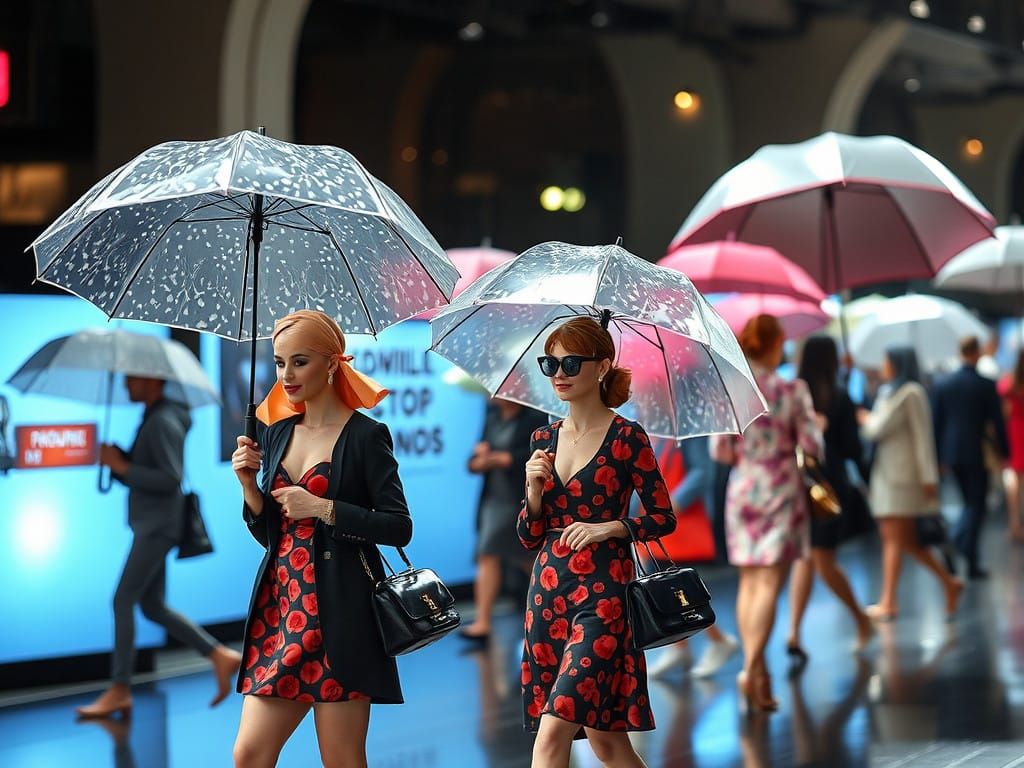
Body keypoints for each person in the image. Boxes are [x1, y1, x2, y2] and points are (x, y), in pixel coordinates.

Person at [230, 310, 411, 768]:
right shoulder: (276, 433)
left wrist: (324, 508)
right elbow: (271, 534)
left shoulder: (367, 436)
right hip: (282, 610)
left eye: (299, 362)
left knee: (341, 759)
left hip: (342, 617)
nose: (286, 375)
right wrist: (250, 489)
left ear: (331, 363)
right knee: (248, 754)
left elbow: (398, 526)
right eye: (279, 362)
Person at [519, 315, 676, 768]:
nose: (559, 374)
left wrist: (610, 527)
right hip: (548, 595)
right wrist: (533, 493)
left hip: (604, 595)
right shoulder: (543, 439)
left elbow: (663, 518)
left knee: (553, 733)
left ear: (602, 366)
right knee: (608, 744)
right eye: (550, 364)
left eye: (571, 363)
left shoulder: (628, 437)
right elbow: (529, 536)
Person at [77, 375, 241, 719]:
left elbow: (169, 477)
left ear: (152, 380)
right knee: (151, 605)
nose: (126, 385)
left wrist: (121, 465)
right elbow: (151, 469)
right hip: (154, 524)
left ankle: (120, 688)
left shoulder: (162, 420)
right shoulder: (155, 416)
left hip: (156, 527)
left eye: (132, 379)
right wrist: (119, 461)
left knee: (122, 600)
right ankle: (218, 655)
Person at [710, 315, 823, 714]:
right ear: (776, 345)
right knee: (771, 584)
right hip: (781, 488)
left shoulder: (731, 390)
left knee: (749, 583)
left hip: (743, 488)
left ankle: (758, 674)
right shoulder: (791, 389)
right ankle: (752, 669)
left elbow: (719, 451)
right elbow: (813, 446)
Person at [857, 346, 963, 620]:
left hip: (904, 479)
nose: (883, 365)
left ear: (897, 363)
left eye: (886, 360)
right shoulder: (887, 392)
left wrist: (929, 477)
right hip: (886, 476)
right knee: (906, 541)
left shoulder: (911, 393)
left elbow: (920, 437)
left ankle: (889, 600)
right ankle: (948, 583)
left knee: (893, 538)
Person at [786, 336, 874, 661]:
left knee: (814, 559)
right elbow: (853, 449)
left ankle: (854, 621)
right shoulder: (839, 396)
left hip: (797, 485)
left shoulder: (792, 394)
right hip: (828, 489)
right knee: (815, 560)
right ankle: (803, 631)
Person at [646, 436, 739, 679]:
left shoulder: (685, 434)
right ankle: (680, 646)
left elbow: (702, 472)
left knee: (675, 588)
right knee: (665, 588)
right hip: (663, 521)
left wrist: (673, 503)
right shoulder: (659, 433)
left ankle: (716, 640)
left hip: (679, 521)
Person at [460, 398, 548, 644]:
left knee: (528, 559)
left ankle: (552, 610)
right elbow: (474, 460)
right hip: (494, 500)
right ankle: (483, 621)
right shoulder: (492, 417)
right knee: (487, 554)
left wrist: (502, 459)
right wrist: (480, 460)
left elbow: (536, 458)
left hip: (521, 499)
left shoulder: (535, 419)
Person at [931, 336, 1009, 579]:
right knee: (976, 504)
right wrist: (1005, 452)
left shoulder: (944, 384)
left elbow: (936, 424)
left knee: (969, 503)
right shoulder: (985, 384)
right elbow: (997, 422)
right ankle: (957, 542)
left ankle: (969, 557)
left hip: (952, 452)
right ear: (977, 352)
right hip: (976, 451)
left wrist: (937, 458)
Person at [1000, 351, 1024, 542]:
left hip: (1015, 430)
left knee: (1014, 480)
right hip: (1017, 428)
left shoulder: (1010, 381)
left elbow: (1003, 406)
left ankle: (1014, 523)